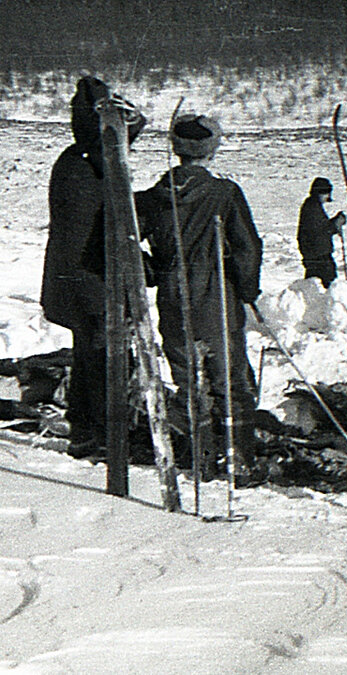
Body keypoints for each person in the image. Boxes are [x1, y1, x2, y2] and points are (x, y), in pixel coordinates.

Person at [136, 113, 263, 484]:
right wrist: (247, 289)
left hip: (173, 297)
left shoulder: (153, 197)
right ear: (210, 150)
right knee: (229, 378)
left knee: (188, 378)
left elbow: (127, 242)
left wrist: (153, 271)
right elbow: (246, 248)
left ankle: (201, 458)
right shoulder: (225, 193)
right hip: (216, 296)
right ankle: (238, 460)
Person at [40, 76, 146, 457]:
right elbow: (108, 230)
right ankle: (106, 437)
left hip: (73, 281)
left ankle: (86, 432)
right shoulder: (98, 165)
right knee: (105, 359)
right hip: (91, 281)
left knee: (89, 356)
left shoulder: (75, 158)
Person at [296, 177, 345, 288]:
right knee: (326, 284)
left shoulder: (311, 206)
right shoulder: (312, 208)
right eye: (326, 193)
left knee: (314, 284)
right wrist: (336, 223)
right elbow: (320, 231)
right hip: (318, 255)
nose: (327, 197)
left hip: (315, 254)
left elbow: (321, 228)